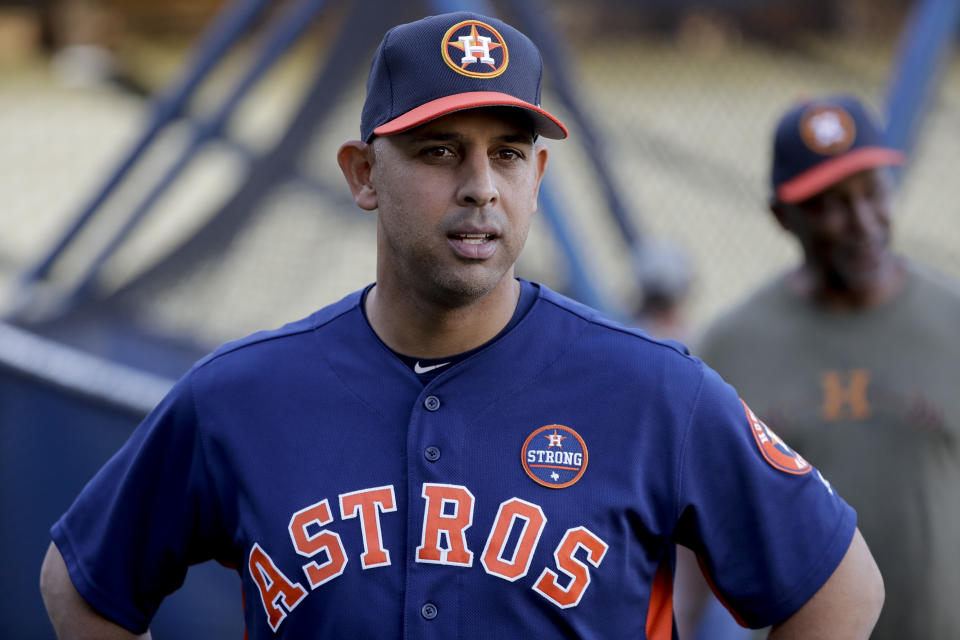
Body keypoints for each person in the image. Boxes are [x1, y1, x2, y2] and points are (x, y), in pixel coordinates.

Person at [39, 13, 883, 638]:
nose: (480, 185)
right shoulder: (240, 394)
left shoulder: (654, 388)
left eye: (508, 154)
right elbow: (81, 583)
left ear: (537, 175)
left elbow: (839, 586)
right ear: (364, 173)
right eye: (440, 150)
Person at [695, 94, 960, 639]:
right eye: (831, 204)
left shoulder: (952, 320)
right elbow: (689, 534)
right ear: (781, 216)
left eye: (872, 192)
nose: (862, 223)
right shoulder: (730, 349)